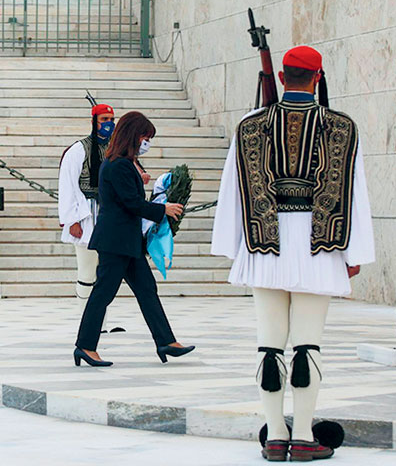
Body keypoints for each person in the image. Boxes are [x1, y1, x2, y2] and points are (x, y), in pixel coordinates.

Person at [211, 46, 374, 462]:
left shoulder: (250, 126)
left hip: (264, 243)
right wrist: (354, 251)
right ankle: (302, 437)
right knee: (307, 345)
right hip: (320, 245)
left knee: (269, 345)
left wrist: (234, 246)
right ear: (318, 78)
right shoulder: (342, 127)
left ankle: (274, 436)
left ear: (282, 78)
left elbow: (233, 189)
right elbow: (355, 192)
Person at [74, 111, 195, 367]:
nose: (146, 142)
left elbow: (130, 200)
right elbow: (131, 203)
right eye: (145, 137)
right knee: (103, 293)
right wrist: (163, 209)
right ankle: (85, 346)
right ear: (133, 135)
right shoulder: (118, 165)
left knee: (147, 291)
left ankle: (166, 341)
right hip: (115, 242)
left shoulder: (123, 164)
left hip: (127, 242)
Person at [58, 102, 123, 333]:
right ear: (94, 121)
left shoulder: (116, 149)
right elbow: (67, 185)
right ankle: (86, 324)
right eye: (104, 120)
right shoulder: (78, 150)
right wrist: (71, 220)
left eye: (111, 120)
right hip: (87, 216)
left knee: (104, 275)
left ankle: (101, 324)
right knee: (87, 272)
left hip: (109, 217)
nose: (109, 124)